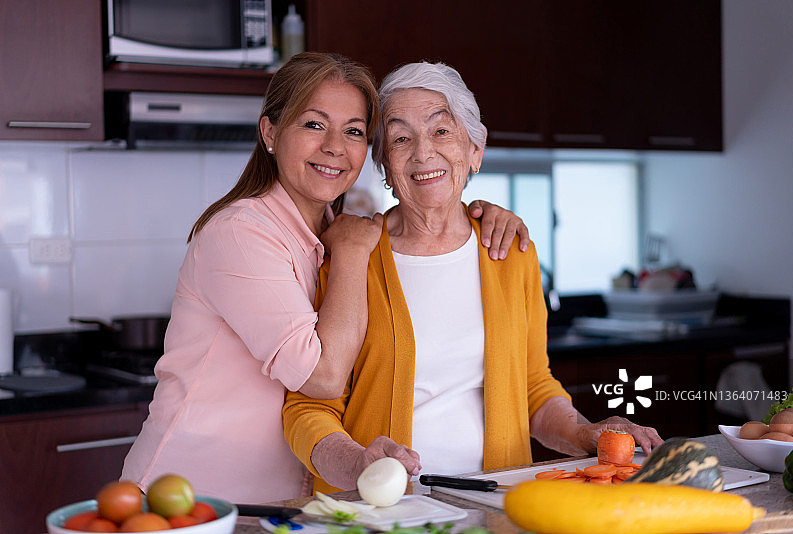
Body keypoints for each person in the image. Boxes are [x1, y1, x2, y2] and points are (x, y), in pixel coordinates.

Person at [120, 52, 530, 504]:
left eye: (353, 131)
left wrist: (485, 215)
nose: (336, 146)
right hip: (192, 498)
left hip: (283, 504)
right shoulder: (242, 233)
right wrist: (354, 252)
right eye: (314, 124)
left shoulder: (330, 234)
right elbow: (324, 377)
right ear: (270, 132)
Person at [282, 61, 663, 494]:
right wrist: (357, 466)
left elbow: (534, 387)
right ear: (385, 166)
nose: (423, 153)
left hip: (494, 504)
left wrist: (583, 434)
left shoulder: (511, 252)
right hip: (383, 512)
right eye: (401, 138)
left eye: (441, 131)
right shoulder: (352, 257)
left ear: (474, 151)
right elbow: (307, 408)